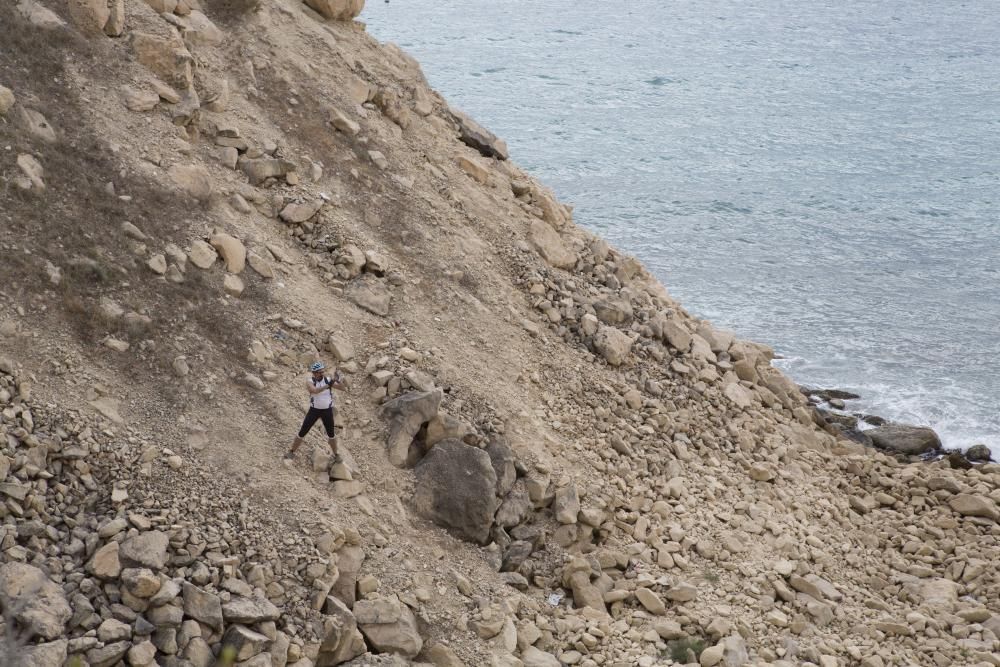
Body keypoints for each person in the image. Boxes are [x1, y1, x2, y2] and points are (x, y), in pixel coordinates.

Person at [284, 361, 346, 463]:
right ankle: (291, 451)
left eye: (322, 371)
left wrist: (339, 381)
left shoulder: (328, 379)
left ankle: (336, 454)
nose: (322, 374)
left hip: (327, 410)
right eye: (319, 372)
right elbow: (314, 391)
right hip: (314, 411)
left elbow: (342, 388)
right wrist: (328, 385)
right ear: (314, 373)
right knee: (303, 431)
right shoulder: (310, 381)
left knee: (331, 434)